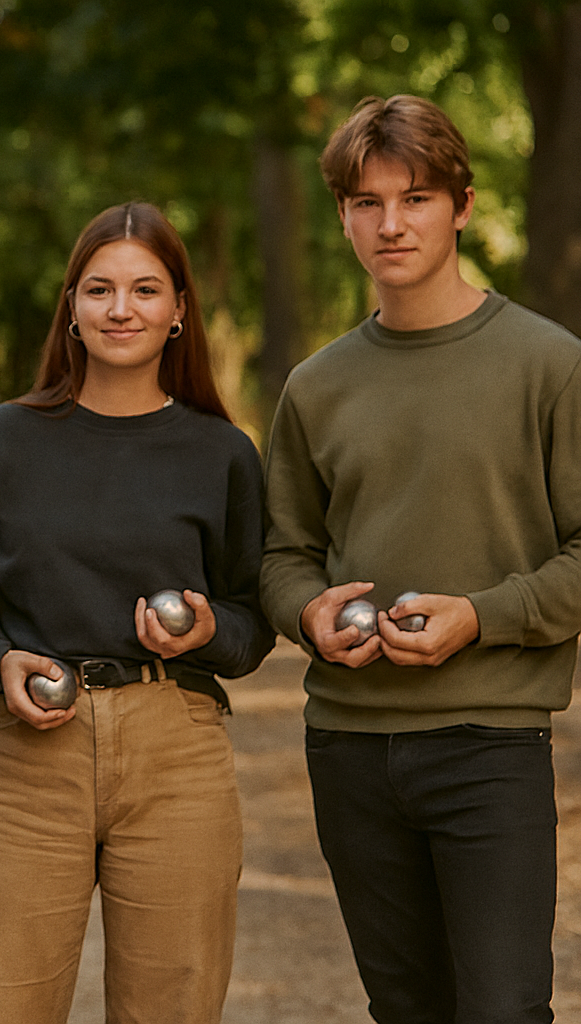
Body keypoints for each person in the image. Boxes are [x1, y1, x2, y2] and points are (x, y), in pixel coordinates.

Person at [261, 95, 581, 1023]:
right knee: (406, 1008)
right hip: (349, 748)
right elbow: (284, 554)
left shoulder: (549, 366)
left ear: (464, 206)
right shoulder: (316, 386)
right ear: (343, 216)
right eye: (366, 202)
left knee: (503, 1009)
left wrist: (481, 615)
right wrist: (310, 613)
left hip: (490, 745)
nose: (391, 223)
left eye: (416, 198)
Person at [0, 201, 274, 1023]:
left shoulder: (223, 453)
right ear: (71, 307)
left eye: (144, 289)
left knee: (173, 1006)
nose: (120, 309)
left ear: (178, 312)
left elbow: (250, 621)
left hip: (179, 755)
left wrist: (206, 630)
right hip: (32, 757)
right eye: (99, 289)